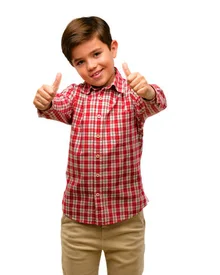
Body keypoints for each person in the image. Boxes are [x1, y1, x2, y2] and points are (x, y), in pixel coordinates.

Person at [32, 16, 167, 275]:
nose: (91, 66)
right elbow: (53, 108)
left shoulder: (133, 95)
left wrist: (148, 91)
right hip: (78, 224)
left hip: (126, 222)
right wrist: (44, 101)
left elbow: (156, 101)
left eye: (96, 53)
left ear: (112, 48)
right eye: (80, 62)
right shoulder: (74, 96)